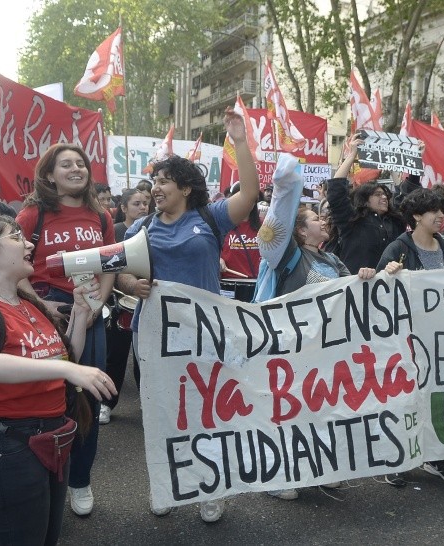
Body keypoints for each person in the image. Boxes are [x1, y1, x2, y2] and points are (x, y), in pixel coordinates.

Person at [116, 108, 259, 523]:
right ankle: (167, 485)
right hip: (155, 335)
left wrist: (241, 142)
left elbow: (249, 193)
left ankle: (211, 488)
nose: (155, 188)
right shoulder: (141, 227)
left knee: (207, 410)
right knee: (161, 413)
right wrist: (130, 285)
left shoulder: (210, 218)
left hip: (206, 334)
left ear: (185, 188)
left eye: (163, 181)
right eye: (154, 181)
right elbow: (120, 271)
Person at [0, 213, 117, 545]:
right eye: (15, 237)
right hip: (10, 446)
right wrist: (67, 370)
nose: (28, 244)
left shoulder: (28, 305)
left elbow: (68, 357)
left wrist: (80, 314)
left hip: (51, 437)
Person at [255, 154, 376, 499]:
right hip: (287, 347)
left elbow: (349, 292)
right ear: (299, 229)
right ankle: (278, 476)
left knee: (321, 408)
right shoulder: (288, 256)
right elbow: (275, 227)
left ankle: (317, 467)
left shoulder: (331, 258)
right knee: (285, 409)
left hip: (324, 348)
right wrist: (286, 188)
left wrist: (368, 277)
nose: (324, 221)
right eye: (314, 218)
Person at [16, 143, 116, 517]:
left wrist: (96, 306)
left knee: (86, 398)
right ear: (49, 174)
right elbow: (17, 266)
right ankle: (44, 479)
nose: (76, 169)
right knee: (48, 397)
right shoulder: (32, 214)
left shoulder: (101, 215)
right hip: (46, 309)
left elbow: (109, 264)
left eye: (80, 163)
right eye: (66, 164)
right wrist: (46, 308)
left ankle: (80, 481)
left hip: (90, 310)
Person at [378, 188, 444, 486]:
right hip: (406, 341)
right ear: (417, 216)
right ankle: (397, 457)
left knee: (435, 398)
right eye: (434, 211)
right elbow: (377, 293)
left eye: (443, 211)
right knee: (404, 398)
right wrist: (387, 274)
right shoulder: (398, 249)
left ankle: (434, 455)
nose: (442, 216)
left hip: (440, 339)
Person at [325, 136, 417, 273]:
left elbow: (407, 198)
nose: (384, 197)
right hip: (356, 287)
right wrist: (352, 155)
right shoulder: (352, 220)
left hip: (389, 288)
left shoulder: (395, 221)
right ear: (365, 200)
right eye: (378, 194)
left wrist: (407, 163)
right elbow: (336, 192)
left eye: (385, 194)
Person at [101, 188, 150, 425]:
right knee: (116, 356)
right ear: (123, 207)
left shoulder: (151, 229)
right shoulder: (117, 231)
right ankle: (107, 403)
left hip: (145, 298)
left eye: (145, 202)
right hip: (120, 301)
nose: (142, 207)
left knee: (145, 358)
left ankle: (147, 401)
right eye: (136, 203)